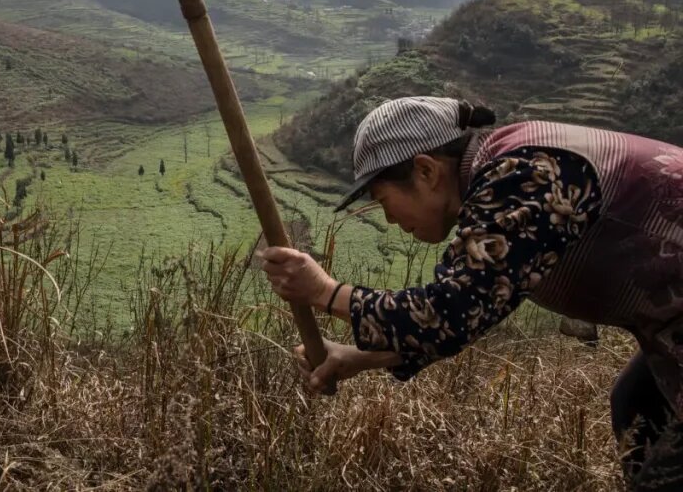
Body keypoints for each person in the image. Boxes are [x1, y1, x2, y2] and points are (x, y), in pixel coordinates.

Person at [260, 96, 683, 487]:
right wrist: (358, 356)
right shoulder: (499, 184)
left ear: (426, 171)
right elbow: (478, 304)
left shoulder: (525, 174)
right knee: (639, 407)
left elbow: (449, 312)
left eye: (382, 198)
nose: (388, 219)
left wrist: (326, 292)